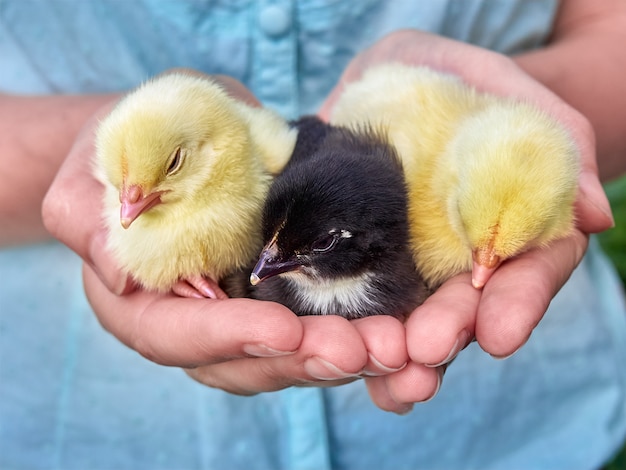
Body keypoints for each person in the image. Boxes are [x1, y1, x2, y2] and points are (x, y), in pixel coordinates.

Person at [1, 0, 625, 468]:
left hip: (514, 428)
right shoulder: (224, 167)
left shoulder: (411, 202)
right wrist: (95, 160)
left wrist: (535, 142)